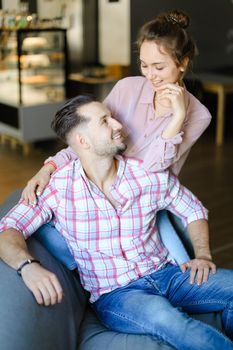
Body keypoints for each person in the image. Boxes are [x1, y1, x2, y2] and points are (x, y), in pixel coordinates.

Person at [0, 95, 233, 350]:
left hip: (169, 275)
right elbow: (9, 228)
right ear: (82, 141)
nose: (118, 125)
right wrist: (27, 266)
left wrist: (203, 254)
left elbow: (193, 209)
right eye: (105, 121)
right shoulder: (57, 189)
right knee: (168, 320)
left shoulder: (145, 174)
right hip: (118, 295)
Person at [21, 10, 211, 266]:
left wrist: (178, 117)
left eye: (159, 67)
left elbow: (155, 169)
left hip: (145, 201)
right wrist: (50, 167)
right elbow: (88, 140)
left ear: (183, 63)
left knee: (177, 264)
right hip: (100, 188)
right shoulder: (127, 88)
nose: (150, 75)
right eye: (144, 65)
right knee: (48, 228)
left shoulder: (199, 115)